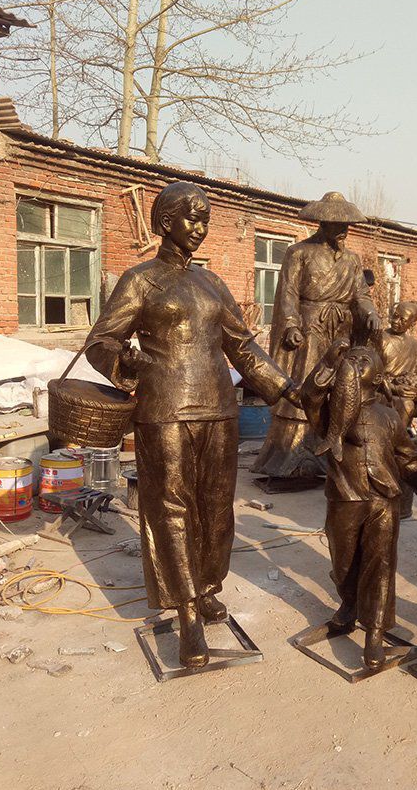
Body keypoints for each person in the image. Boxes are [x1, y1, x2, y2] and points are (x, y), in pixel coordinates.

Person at [84, 182, 299, 667]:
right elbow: (101, 341)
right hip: (164, 412)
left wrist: (287, 388)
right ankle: (185, 615)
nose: (200, 228)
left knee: (217, 510)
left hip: (219, 410)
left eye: (205, 219)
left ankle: (205, 588)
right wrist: (127, 363)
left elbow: (243, 347)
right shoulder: (140, 281)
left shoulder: (213, 284)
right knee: (172, 509)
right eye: (191, 218)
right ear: (165, 223)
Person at [301, 340, 417, 668]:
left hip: (384, 501)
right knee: (343, 562)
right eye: (351, 358)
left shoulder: (390, 415)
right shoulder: (331, 410)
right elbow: (309, 396)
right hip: (345, 496)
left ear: (378, 376)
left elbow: (408, 459)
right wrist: (329, 360)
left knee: (379, 565)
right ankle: (349, 603)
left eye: (364, 360)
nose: (354, 362)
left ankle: (374, 633)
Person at [253, 192, 381, 480]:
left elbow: (361, 295)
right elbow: (287, 292)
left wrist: (370, 312)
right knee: (307, 384)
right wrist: (291, 325)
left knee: (339, 387)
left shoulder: (351, 260)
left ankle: (329, 448)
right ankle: (291, 453)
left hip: (341, 330)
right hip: (311, 327)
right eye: (338, 223)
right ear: (323, 222)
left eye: (347, 223)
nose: (344, 228)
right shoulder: (299, 252)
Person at [375, 301, 417, 458]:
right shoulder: (380, 340)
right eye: (395, 316)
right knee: (406, 405)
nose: (396, 321)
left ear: (412, 323)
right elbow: (371, 374)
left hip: (408, 391)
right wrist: (395, 388)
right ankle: (397, 451)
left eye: (402, 319)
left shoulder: (413, 345)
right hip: (384, 393)